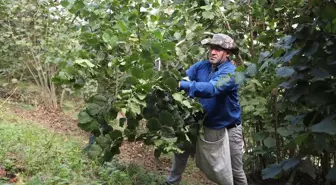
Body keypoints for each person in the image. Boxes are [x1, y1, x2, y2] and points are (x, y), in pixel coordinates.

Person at [166, 33, 248, 185]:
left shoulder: (231, 72)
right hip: (202, 123)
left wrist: (181, 85)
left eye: (218, 49)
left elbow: (212, 89)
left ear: (228, 53)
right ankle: (171, 182)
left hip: (229, 129)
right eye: (211, 48)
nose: (213, 52)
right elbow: (185, 78)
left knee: (235, 171)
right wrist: (169, 80)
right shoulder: (202, 66)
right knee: (181, 149)